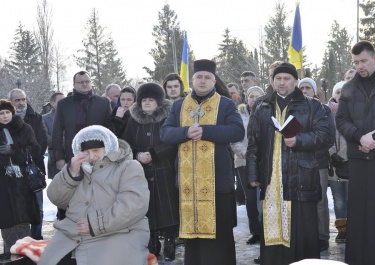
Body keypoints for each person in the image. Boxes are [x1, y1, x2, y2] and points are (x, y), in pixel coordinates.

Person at [160, 59, 245, 265]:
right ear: (192, 80)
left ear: (214, 81)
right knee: (193, 238)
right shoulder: (180, 105)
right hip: (189, 184)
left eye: (208, 77)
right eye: (199, 77)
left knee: (221, 234)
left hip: (218, 181)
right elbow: (165, 133)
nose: (203, 81)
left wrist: (205, 131)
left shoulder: (224, 103)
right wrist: (186, 132)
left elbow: (237, 131)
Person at [246, 62, 331, 264]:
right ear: (272, 80)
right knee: (273, 228)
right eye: (278, 78)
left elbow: (326, 136)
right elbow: (253, 143)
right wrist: (252, 173)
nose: (282, 82)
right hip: (271, 177)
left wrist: (299, 141)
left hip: (301, 176)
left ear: (295, 81)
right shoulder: (262, 106)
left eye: (286, 78)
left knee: (302, 229)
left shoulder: (312, 105)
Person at [38, 125, 150, 265]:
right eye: (86, 151)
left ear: (108, 148)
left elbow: (135, 204)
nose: (91, 156)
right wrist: (71, 174)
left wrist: (96, 223)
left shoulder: (128, 166)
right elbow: (56, 198)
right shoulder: (78, 169)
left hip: (120, 231)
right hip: (74, 233)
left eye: (96, 150)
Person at [336, 40, 375, 265]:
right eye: (356, 62)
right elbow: (341, 120)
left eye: (363, 61)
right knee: (362, 217)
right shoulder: (349, 87)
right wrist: (358, 137)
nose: (360, 66)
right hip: (360, 160)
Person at [122, 82, 178, 261]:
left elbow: (173, 141)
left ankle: (170, 239)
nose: (147, 103)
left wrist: (154, 153)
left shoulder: (167, 118)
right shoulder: (133, 121)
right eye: (144, 100)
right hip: (141, 171)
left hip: (164, 169)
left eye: (151, 100)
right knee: (147, 206)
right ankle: (152, 239)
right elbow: (126, 142)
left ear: (158, 102)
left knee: (168, 206)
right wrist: (137, 154)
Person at [52, 70, 112, 220]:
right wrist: (58, 157)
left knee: (96, 190)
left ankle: (96, 221)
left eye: (87, 81)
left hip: (98, 157)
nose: (84, 84)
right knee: (71, 189)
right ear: (74, 84)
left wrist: (110, 154)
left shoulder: (103, 103)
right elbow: (57, 132)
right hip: (72, 155)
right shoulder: (64, 104)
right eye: (81, 82)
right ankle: (68, 221)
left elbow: (110, 131)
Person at [298, 77, 335, 252]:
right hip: (296, 163)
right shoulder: (294, 108)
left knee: (320, 201)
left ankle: (322, 237)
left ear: (314, 91)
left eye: (308, 88)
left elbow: (328, 137)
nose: (304, 90)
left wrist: (310, 153)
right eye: (302, 87)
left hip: (317, 162)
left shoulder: (324, 109)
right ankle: (304, 235)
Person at [0, 99, 41, 253]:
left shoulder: (24, 128)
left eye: (7, 112)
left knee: (23, 224)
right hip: (2, 184)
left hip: (22, 183)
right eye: (1, 113)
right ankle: (9, 256)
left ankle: (25, 257)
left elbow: (36, 150)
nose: (5, 116)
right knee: (7, 224)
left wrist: (14, 151)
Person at [9, 88, 47, 240]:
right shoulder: (5, 120)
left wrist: (25, 155)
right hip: (13, 171)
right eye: (17, 100)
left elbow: (42, 142)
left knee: (38, 207)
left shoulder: (36, 117)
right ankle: (21, 241)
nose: (21, 103)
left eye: (23, 99)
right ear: (11, 102)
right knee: (18, 208)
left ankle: (36, 238)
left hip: (33, 169)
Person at [231, 86, 265, 247]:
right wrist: (247, 154)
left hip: (264, 162)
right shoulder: (238, 116)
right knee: (251, 199)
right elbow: (234, 140)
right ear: (246, 98)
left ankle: (266, 230)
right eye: (251, 96)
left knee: (264, 198)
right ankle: (255, 232)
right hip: (244, 162)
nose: (254, 99)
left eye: (258, 96)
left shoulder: (267, 113)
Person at [328, 81, 348, 244]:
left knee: (352, 196)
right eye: (338, 92)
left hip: (350, 161)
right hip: (333, 164)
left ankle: (355, 227)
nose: (340, 94)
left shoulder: (354, 111)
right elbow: (325, 135)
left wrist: (343, 155)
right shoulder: (326, 113)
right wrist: (332, 155)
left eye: (344, 91)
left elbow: (355, 135)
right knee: (338, 198)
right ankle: (342, 229)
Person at [42, 92, 65, 180]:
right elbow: (46, 138)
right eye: (61, 101)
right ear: (53, 103)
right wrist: (65, 139)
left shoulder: (71, 116)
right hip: (55, 159)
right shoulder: (44, 118)